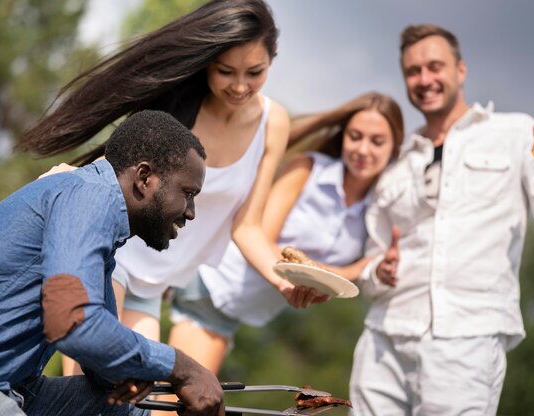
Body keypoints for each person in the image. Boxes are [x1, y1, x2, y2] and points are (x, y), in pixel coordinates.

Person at [17, 0, 315, 376]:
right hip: (113, 257)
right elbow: (118, 169)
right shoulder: (176, 105)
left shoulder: (274, 124)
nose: (240, 86)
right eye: (226, 71)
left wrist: (283, 281)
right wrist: (67, 179)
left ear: (273, 59)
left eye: (255, 72)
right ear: (208, 61)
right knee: (93, 387)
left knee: (144, 403)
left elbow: (247, 226)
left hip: (155, 284)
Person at [0, 111, 225, 416]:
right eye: (188, 193)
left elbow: (98, 365)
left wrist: (134, 370)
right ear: (144, 178)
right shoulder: (89, 197)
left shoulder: (101, 217)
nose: (190, 212)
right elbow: (73, 323)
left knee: (120, 407)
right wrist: (181, 366)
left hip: (1, 385)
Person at [349, 24, 534, 415]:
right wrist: (380, 272)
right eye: (413, 71)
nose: (424, 79)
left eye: (435, 66)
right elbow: (371, 261)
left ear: (460, 70)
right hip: (383, 340)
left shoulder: (513, 133)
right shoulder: (395, 162)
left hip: (467, 338)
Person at [167, 92, 405, 374]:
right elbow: (262, 234)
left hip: (236, 311)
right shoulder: (308, 169)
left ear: (394, 148)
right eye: (355, 136)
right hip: (212, 287)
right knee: (180, 404)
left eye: (377, 141)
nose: (363, 149)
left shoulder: (377, 208)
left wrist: (375, 268)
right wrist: (358, 269)